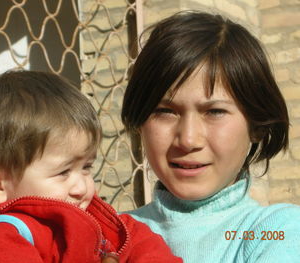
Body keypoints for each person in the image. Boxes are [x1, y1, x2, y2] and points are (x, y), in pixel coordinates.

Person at [121, 10, 300, 262]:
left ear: (257, 126)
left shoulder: (276, 232)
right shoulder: (111, 235)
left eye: (214, 111)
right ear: (140, 122)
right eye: (165, 111)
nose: (188, 140)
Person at [0, 70, 183, 263]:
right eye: (63, 172)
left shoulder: (94, 219)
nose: (82, 187)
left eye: (86, 168)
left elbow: (138, 241)